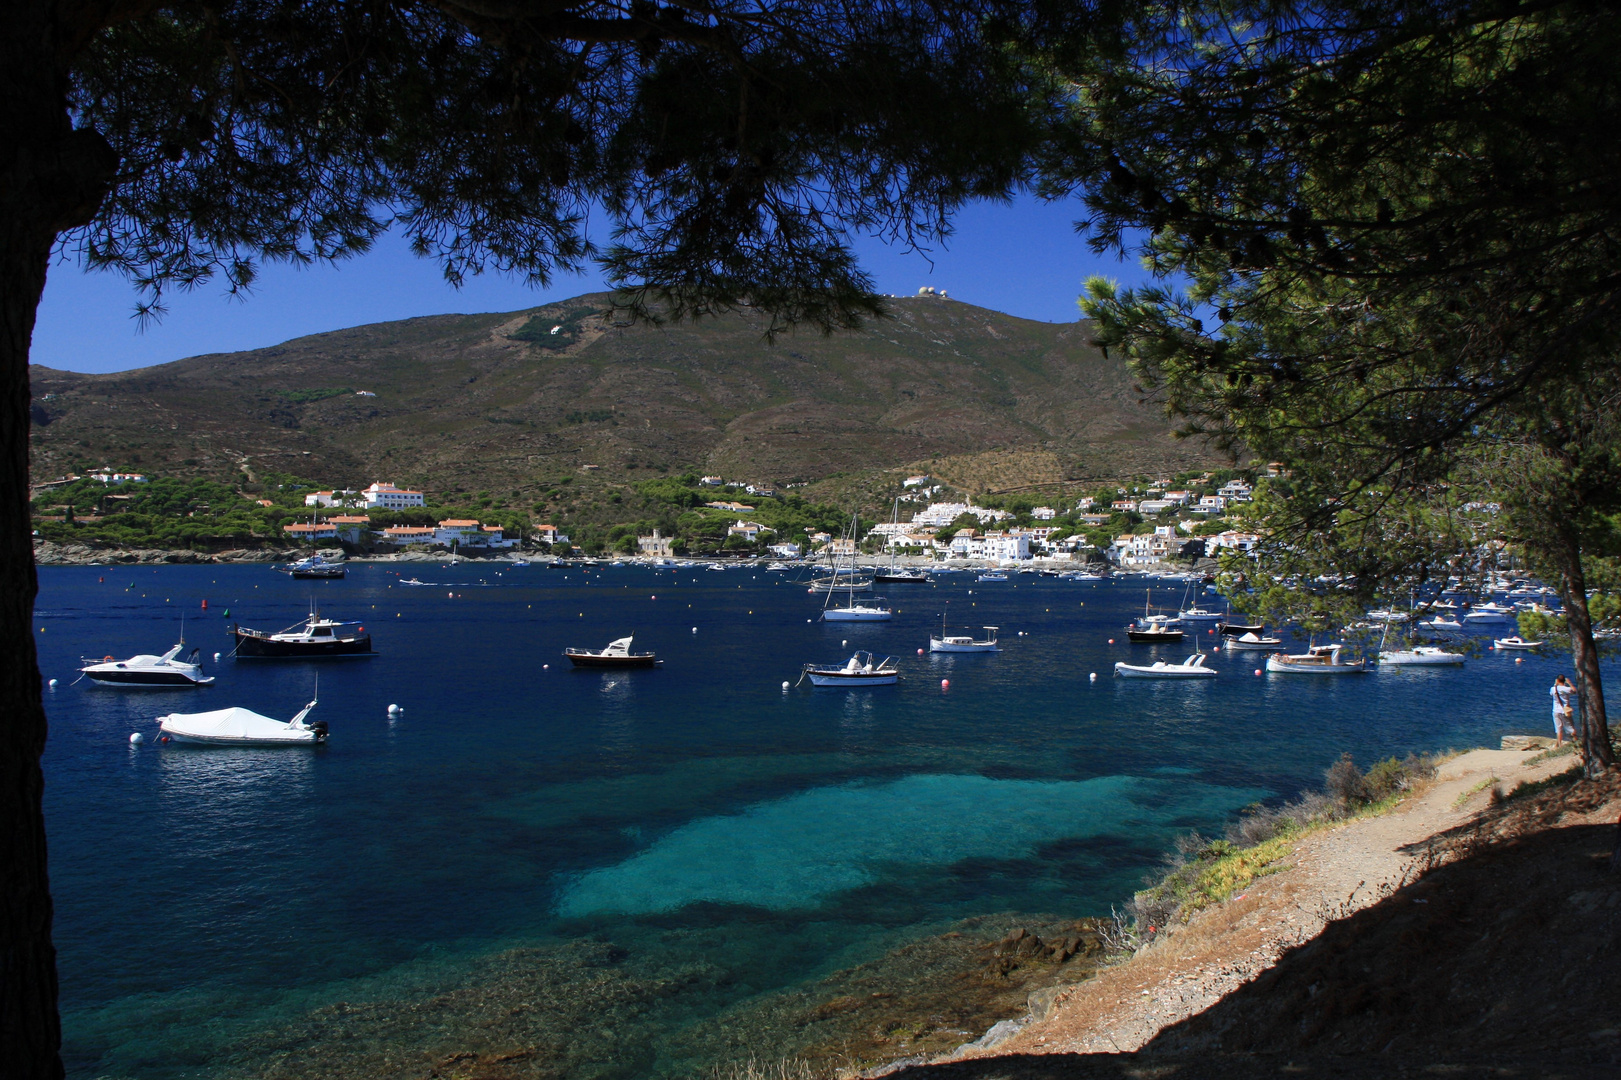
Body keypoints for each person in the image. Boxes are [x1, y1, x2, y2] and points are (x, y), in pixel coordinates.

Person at [1550, 675, 1576, 745]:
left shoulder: (1553, 689)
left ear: (1557, 680)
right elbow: (1574, 691)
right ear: (1564, 681)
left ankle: (1559, 744)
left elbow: (1551, 694)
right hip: (1565, 711)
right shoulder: (1567, 689)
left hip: (1556, 711)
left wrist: (1555, 684)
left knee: (1558, 729)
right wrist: (1570, 683)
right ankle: (1576, 742)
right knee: (1571, 728)